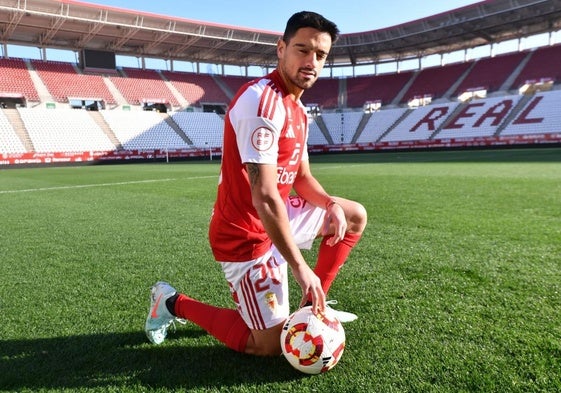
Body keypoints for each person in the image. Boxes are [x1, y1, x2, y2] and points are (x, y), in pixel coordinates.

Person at [145, 10, 367, 357]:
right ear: (281, 49)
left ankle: (313, 309)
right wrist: (300, 267)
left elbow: (303, 179)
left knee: (353, 215)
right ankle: (171, 302)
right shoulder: (260, 102)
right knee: (268, 346)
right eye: (302, 49)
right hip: (243, 233)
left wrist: (330, 204)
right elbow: (264, 195)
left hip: (273, 218)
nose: (311, 61)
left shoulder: (298, 110)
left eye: (320, 55)